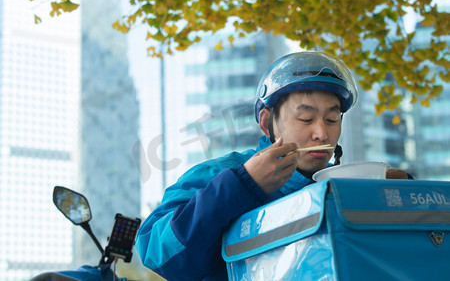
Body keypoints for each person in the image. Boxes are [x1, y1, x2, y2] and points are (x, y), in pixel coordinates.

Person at [135, 51, 408, 281]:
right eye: (305, 118)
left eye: (332, 120)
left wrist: (397, 206)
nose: (321, 134)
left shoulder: (346, 186)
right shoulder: (220, 174)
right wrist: (242, 185)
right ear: (267, 122)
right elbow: (157, 252)